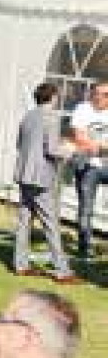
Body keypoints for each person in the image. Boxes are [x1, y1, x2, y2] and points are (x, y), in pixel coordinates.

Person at [13, 82, 80, 283]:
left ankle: (21, 265)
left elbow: (20, 145)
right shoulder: (51, 117)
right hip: (41, 178)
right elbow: (51, 149)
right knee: (51, 225)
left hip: (24, 174)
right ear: (53, 97)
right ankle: (62, 271)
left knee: (24, 223)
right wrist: (69, 150)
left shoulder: (27, 116)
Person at [68, 80, 108, 260]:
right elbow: (79, 139)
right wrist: (101, 147)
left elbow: (88, 142)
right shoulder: (82, 109)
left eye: (107, 95)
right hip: (88, 165)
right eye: (103, 94)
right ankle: (85, 249)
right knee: (86, 208)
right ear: (94, 94)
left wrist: (96, 147)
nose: (105, 98)